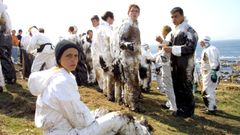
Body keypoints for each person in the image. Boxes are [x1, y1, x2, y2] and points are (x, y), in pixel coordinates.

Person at [28, 40, 151, 135]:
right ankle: (144, 131)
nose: (73, 60)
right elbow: (80, 121)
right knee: (119, 118)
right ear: (59, 58)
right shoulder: (61, 82)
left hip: (58, 128)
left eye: (76, 56)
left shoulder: (54, 74)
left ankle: (138, 127)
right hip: (66, 132)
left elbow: (74, 111)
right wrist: (95, 120)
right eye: (68, 56)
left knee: (101, 113)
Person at [157, 7, 198, 117]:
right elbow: (169, 44)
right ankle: (180, 109)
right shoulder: (174, 31)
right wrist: (162, 42)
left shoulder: (189, 30)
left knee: (186, 87)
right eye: (172, 17)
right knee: (176, 87)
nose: (173, 19)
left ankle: (188, 112)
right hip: (174, 64)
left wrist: (172, 49)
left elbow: (190, 47)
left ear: (182, 16)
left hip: (186, 66)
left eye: (176, 16)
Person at [118, 4, 142, 112]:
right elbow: (121, 42)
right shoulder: (127, 25)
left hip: (135, 58)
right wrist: (128, 45)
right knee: (131, 82)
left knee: (132, 81)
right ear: (128, 13)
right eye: (132, 11)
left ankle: (128, 102)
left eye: (136, 11)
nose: (134, 12)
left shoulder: (136, 25)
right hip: (127, 58)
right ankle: (133, 106)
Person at [155, 25, 177, 111]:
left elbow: (169, 45)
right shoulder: (172, 39)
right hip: (168, 67)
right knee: (170, 87)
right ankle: (170, 103)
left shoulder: (169, 40)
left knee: (169, 87)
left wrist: (161, 41)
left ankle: (173, 107)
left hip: (168, 67)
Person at [200, 36, 220, 114]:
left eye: (201, 42)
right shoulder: (206, 50)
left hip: (210, 74)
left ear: (205, 42)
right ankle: (210, 106)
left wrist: (213, 73)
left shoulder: (211, 49)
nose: (200, 44)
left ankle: (211, 109)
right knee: (209, 90)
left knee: (208, 91)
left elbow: (214, 62)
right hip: (206, 74)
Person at [91, 15, 104, 91]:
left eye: (94, 21)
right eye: (92, 22)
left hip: (100, 54)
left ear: (98, 21)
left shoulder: (101, 29)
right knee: (97, 71)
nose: (93, 23)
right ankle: (100, 86)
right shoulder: (95, 30)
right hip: (95, 54)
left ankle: (104, 87)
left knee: (102, 71)